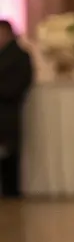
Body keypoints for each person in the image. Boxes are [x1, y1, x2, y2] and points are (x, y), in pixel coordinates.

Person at [0, 19, 33, 198]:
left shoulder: (20, 56)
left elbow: (19, 84)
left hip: (8, 113)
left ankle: (12, 193)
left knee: (9, 155)